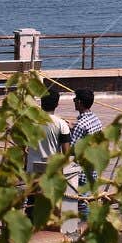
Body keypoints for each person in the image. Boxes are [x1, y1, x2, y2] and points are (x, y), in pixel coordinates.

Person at [25, 90, 70, 218]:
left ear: (41, 102)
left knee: (32, 203)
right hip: (51, 170)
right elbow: (66, 153)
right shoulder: (61, 124)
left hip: (32, 169)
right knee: (54, 203)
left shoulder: (31, 122)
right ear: (57, 104)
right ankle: (67, 228)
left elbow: (25, 147)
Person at [68, 89, 102, 221]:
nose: (74, 101)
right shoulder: (96, 120)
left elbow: (70, 151)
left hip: (79, 172)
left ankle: (82, 231)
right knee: (88, 200)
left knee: (80, 204)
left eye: (75, 99)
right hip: (92, 169)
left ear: (80, 102)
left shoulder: (80, 125)